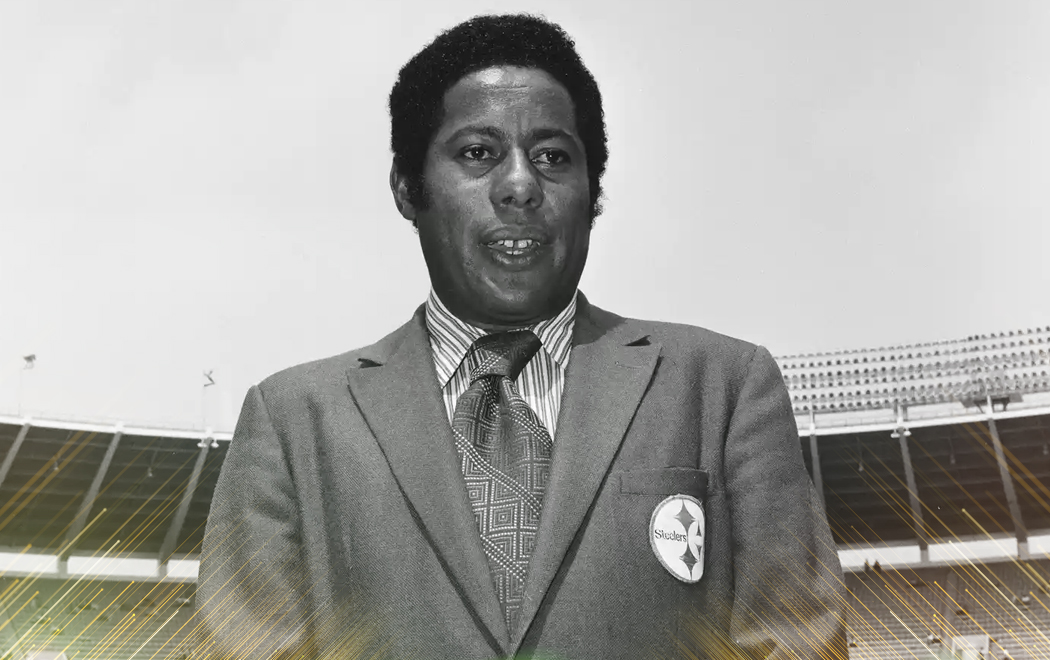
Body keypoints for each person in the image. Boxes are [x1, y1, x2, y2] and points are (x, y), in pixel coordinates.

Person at [194, 13, 846, 660]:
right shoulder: (292, 422)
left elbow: (799, 646)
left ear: (593, 193)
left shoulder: (724, 388)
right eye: (478, 153)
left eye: (552, 157)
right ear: (407, 188)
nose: (520, 186)